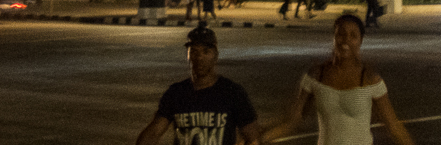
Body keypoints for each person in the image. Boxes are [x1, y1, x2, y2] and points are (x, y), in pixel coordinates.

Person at [262, 14, 415, 145]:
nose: (345, 40)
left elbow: (394, 127)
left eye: (353, 36)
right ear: (334, 37)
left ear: (361, 41)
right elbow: (291, 121)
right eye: (340, 34)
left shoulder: (369, 78)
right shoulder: (316, 75)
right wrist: (258, 139)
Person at [135, 24, 261, 145]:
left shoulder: (232, 92)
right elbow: (154, 133)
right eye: (194, 51)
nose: (199, 57)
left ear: (215, 56)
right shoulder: (176, 93)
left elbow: (253, 137)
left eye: (206, 52)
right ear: (188, 56)